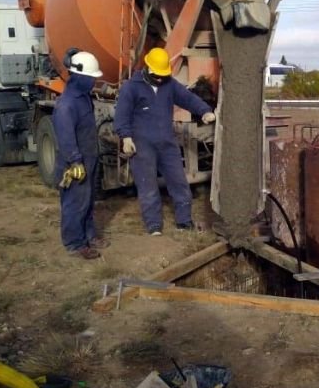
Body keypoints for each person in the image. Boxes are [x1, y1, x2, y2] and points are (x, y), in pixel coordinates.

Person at [114, 47, 216, 236]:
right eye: (158, 75)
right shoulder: (131, 87)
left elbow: (187, 98)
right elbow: (122, 115)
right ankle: (154, 225)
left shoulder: (169, 84)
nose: (161, 79)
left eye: (164, 75)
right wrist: (125, 137)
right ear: (149, 69)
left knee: (179, 182)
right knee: (148, 186)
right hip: (142, 144)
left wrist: (204, 110)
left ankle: (184, 222)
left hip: (167, 143)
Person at [53, 49, 108, 260]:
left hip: (89, 158)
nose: (94, 82)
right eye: (91, 78)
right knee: (75, 203)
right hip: (75, 163)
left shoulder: (83, 97)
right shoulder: (66, 105)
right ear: (79, 77)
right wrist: (75, 161)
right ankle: (74, 244)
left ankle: (89, 235)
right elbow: (66, 137)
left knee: (88, 200)